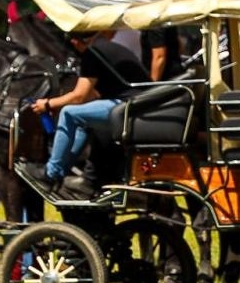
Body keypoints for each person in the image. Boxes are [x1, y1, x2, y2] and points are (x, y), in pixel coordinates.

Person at [20, 30, 146, 196]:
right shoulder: (112, 48)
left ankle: (51, 173)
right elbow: (93, 95)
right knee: (82, 120)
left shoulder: (92, 53)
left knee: (68, 113)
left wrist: (49, 104)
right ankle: (64, 171)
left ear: (74, 42)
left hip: (126, 108)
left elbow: (80, 96)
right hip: (140, 106)